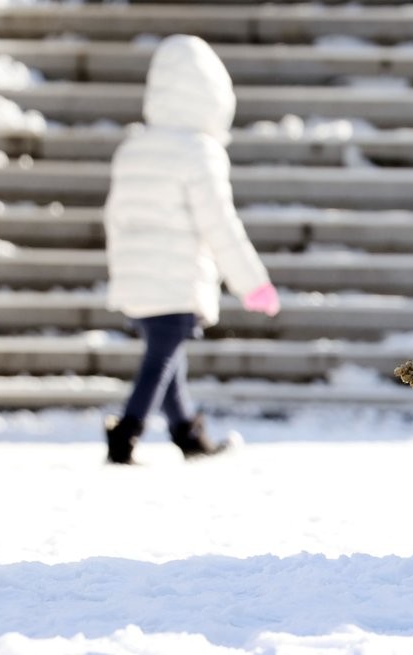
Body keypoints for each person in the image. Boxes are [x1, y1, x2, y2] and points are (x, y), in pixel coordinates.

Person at [103, 34, 280, 464]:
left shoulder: (133, 146)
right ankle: (125, 433)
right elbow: (220, 224)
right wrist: (253, 284)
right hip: (176, 277)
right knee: (161, 361)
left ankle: (188, 435)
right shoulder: (200, 152)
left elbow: (114, 217)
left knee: (168, 357)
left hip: (137, 278)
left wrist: (121, 274)